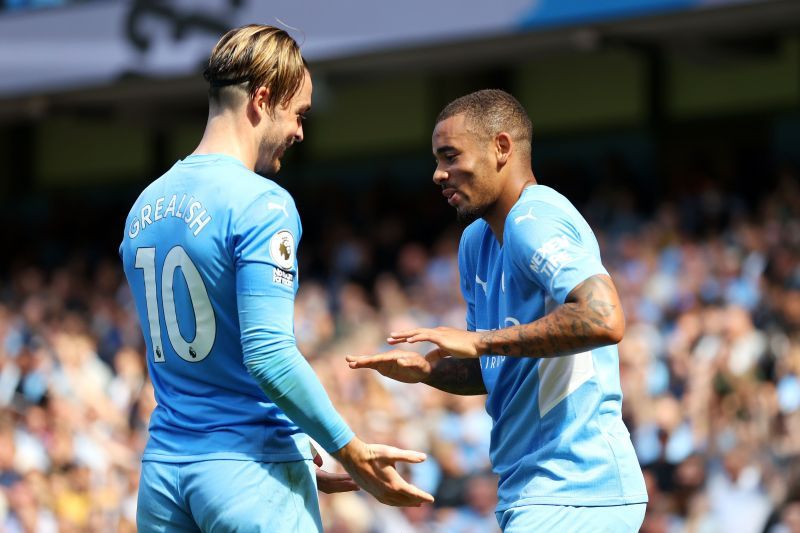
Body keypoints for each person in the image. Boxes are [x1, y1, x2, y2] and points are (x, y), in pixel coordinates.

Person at [119, 24, 433, 532]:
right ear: (263, 99)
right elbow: (267, 354)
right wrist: (349, 450)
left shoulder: (142, 208)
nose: (301, 132)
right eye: (299, 113)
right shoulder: (261, 202)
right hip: (248, 476)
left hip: (162, 479)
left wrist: (301, 448)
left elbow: (198, 366)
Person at [347, 89, 647, 532]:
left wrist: (478, 341)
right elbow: (496, 365)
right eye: (436, 159)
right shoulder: (475, 242)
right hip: (528, 490)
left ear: (501, 148)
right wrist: (429, 371)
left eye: (450, 156)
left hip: (579, 486)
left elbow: (604, 318)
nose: (437, 174)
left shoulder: (534, 219)